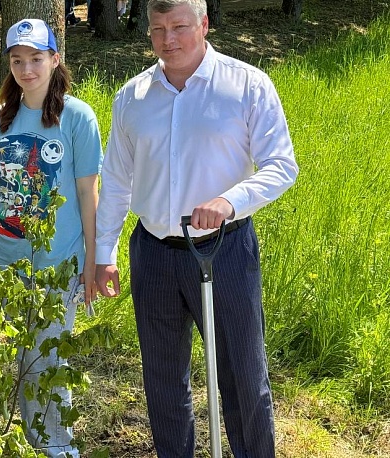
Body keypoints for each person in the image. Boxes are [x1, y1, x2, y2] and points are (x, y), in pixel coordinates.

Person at [94, 0, 298, 456]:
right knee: (163, 381)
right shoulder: (132, 97)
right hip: (153, 252)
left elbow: (282, 165)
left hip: (223, 251)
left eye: (180, 27)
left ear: (204, 25)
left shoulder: (247, 85)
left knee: (243, 376)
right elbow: (116, 182)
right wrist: (104, 253)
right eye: (158, 29)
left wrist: (230, 201)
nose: (169, 40)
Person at [0, 18, 102, 458]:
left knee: (48, 357)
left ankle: (57, 446)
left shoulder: (77, 117)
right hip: (11, 258)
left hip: (60, 261)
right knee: (17, 353)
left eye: (35, 58)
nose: (27, 69)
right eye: (17, 60)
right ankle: (23, 436)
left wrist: (92, 259)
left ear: (55, 59)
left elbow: (89, 193)